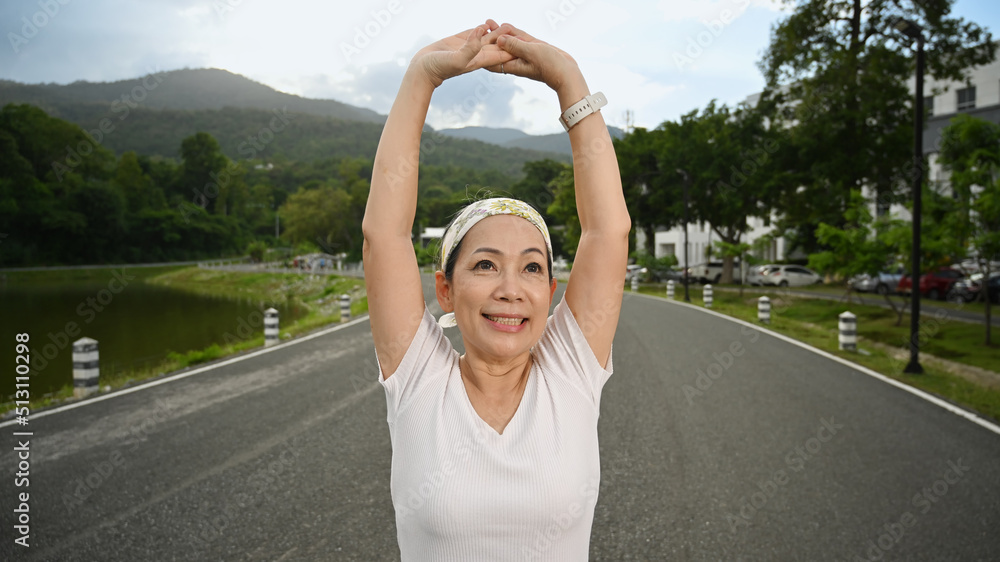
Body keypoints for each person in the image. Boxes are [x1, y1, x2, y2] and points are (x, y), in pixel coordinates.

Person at [362, 19, 630, 560]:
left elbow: (608, 231)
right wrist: (421, 77)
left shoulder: (571, 373)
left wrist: (569, 81)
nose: (511, 288)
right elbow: (383, 234)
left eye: (532, 269)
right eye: (486, 265)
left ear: (551, 291)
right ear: (444, 288)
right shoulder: (418, 381)